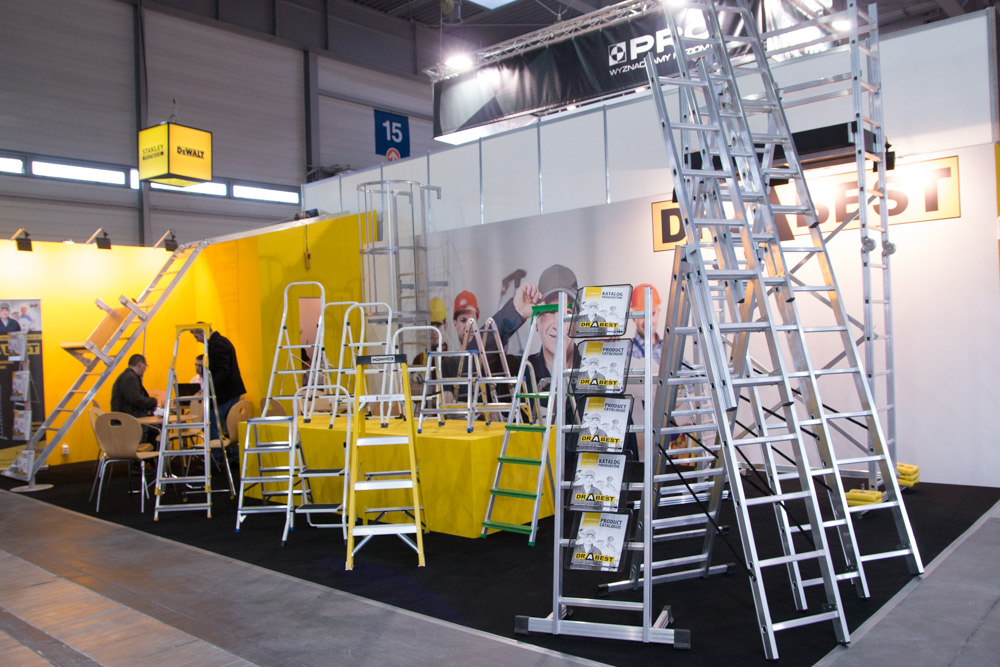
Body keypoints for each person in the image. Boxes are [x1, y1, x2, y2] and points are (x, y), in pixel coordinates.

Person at [191, 325, 246, 444]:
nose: (197, 340)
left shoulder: (217, 345)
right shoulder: (221, 342)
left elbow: (223, 370)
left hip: (225, 393)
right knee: (229, 427)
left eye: (197, 337)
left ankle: (217, 454)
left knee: (211, 424)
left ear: (203, 333)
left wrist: (208, 386)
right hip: (230, 391)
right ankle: (232, 453)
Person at [527, 264, 579, 389]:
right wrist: (516, 313)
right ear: (536, 322)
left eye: (567, 312)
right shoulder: (520, 371)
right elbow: (479, 364)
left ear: (578, 322)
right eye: (549, 311)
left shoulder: (597, 371)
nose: (558, 325)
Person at [110, 354, 159, 446]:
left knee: (155, 428)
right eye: (145, 365)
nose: (145, 369)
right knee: (157, 430)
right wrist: (154, 401)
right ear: (140, 364)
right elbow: (136, 399)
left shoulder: (126, 376)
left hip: (122, 418)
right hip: (128, 421)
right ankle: (145, 453)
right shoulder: (130, 378)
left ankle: (149, 454)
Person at [630, 284, 662, 367]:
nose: (648, 320)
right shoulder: (627, 351)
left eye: (652, 313)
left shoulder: (670, 349)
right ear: (633, 317)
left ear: (658, 313)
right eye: (642, 315)